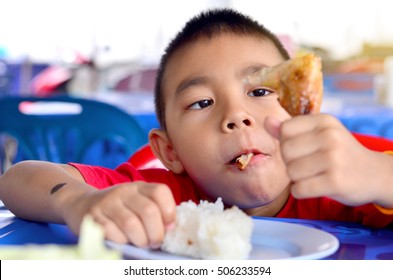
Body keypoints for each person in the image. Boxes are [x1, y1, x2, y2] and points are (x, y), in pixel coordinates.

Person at [1, 8, 393, 250]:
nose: (236, 116)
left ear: (301, 107)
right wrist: (79, 203)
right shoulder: (165, 198)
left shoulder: (350, 169)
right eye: (202, 102)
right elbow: (17, 180)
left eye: (259, 90)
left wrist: (378, 175)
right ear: (169, 151)